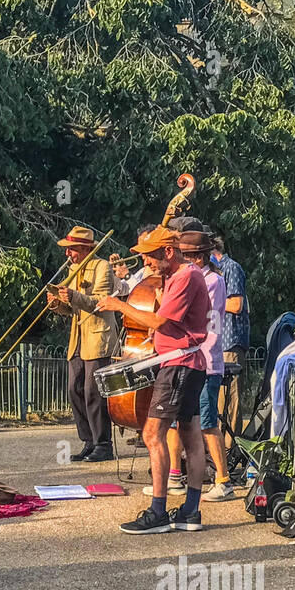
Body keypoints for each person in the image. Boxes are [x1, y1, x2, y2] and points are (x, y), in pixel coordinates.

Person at [96, 225, 210, 534]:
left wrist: (120, 304)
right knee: (189, 434)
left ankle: (158, 512)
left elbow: (159, 320)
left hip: (178, 365)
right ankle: (189, 512)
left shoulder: (185, 276)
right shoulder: (177, 277)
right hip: (187, 362)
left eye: (149, 257)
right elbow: (169, 321)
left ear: (168, 252)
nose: (145, 262)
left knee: (152, 434)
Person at [47, 225, 120, 463]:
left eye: (72, 250)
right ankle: (88, 440)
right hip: (78, 338)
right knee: (74, 389)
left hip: (99, 337)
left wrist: (73, 295)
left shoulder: (102, 266)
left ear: (85, 248)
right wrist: (57, 304)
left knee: (93, 391)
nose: (68, 254)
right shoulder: (73, 269)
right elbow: (72, 310)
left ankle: (103, 444)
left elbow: (101, 302)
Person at [177, 229, 236, 501]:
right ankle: (178, 474)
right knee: (184, 420)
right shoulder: (194, 277)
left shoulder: (213, 281)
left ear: (198, 258)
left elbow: (209, 323)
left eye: (186, 256)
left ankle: (223, 480)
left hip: (206, 361)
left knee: (208, 422)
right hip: (190, 358)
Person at [213, 234, 250, 455]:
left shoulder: (231, 268)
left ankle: (230, 449)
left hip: (230, 342)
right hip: (218, 342)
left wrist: (208, 297)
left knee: (231, 400)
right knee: (218, 401)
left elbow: (236, 304)